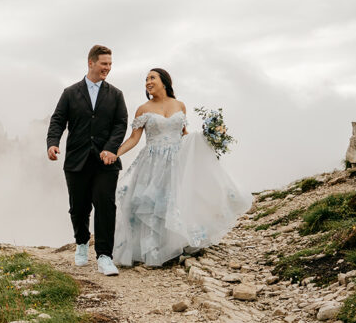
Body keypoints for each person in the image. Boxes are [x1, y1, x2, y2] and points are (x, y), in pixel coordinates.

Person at [111, 68, 252, 267]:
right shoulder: (143, 109)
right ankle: (152, 250)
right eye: (146, 79)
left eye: (152, 78)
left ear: (164, 81)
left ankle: (174, 246)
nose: (148, 82)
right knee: (152, 203)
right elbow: (134, 138)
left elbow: (184, 134)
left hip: (177, 159)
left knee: (175, 200)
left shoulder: (179, 105)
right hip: (152, 162)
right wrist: (115, 153)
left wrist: (206, 140)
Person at [47, 45, 128, 276]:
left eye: (110, 64)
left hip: (106, 162)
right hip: (77, 160)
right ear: (91, 63)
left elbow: (120, 124)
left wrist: (111, 149)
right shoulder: (70, 93)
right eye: (104, 63)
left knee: (105, 206)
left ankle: (104, 256)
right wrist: (52, 143)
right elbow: (58, 120)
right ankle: (81, 243)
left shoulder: (116, 95)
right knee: (79, 207)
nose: (108, 68)